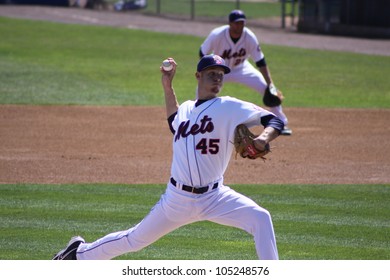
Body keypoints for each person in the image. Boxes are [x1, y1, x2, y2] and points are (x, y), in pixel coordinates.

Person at [52, 55, 282, 260]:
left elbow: (275, 121)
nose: (217, 79)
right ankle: (78, 253)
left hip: (215, 196)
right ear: (198, 76)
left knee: (260, 218)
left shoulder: (230, 106)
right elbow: (174, 121)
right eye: (212, 74)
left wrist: (263, 138)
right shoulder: (186, 109)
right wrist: (167, 84)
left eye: (221, 75)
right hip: (177, 199)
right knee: (134, 240)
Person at [199, 9, 292, 135]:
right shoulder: (217, 34)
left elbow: (260, 62)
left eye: (242, 23)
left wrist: (271, 85)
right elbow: (203, 53)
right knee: (203, 92)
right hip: (219, 70)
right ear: (230, 23)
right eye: (237, 23)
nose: (240, 26)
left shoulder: (249, 37)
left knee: (268, 90)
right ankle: (198, 121)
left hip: (241, 68)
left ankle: (280, 123)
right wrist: (207, 74)